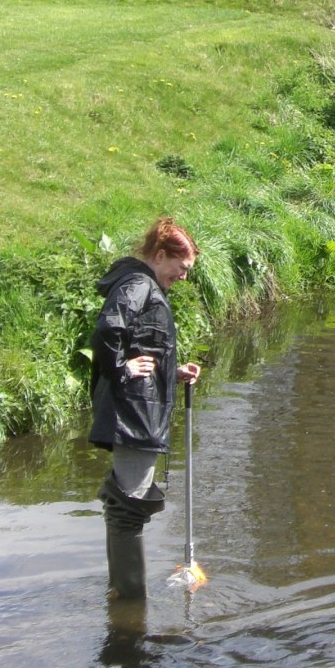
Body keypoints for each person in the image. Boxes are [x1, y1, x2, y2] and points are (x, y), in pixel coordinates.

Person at [90, 217, 202, 599]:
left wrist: (174, 372)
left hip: (137, 411)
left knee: (125, 503)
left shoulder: (144, 285)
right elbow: (108, 329)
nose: (183, 277)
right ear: (159, 256)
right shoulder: (139, 285)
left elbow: (143, 347)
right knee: (129, 507)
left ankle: (121, 593)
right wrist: (122, 369)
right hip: (134, 417)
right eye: (181, 268)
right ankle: (130, 601)